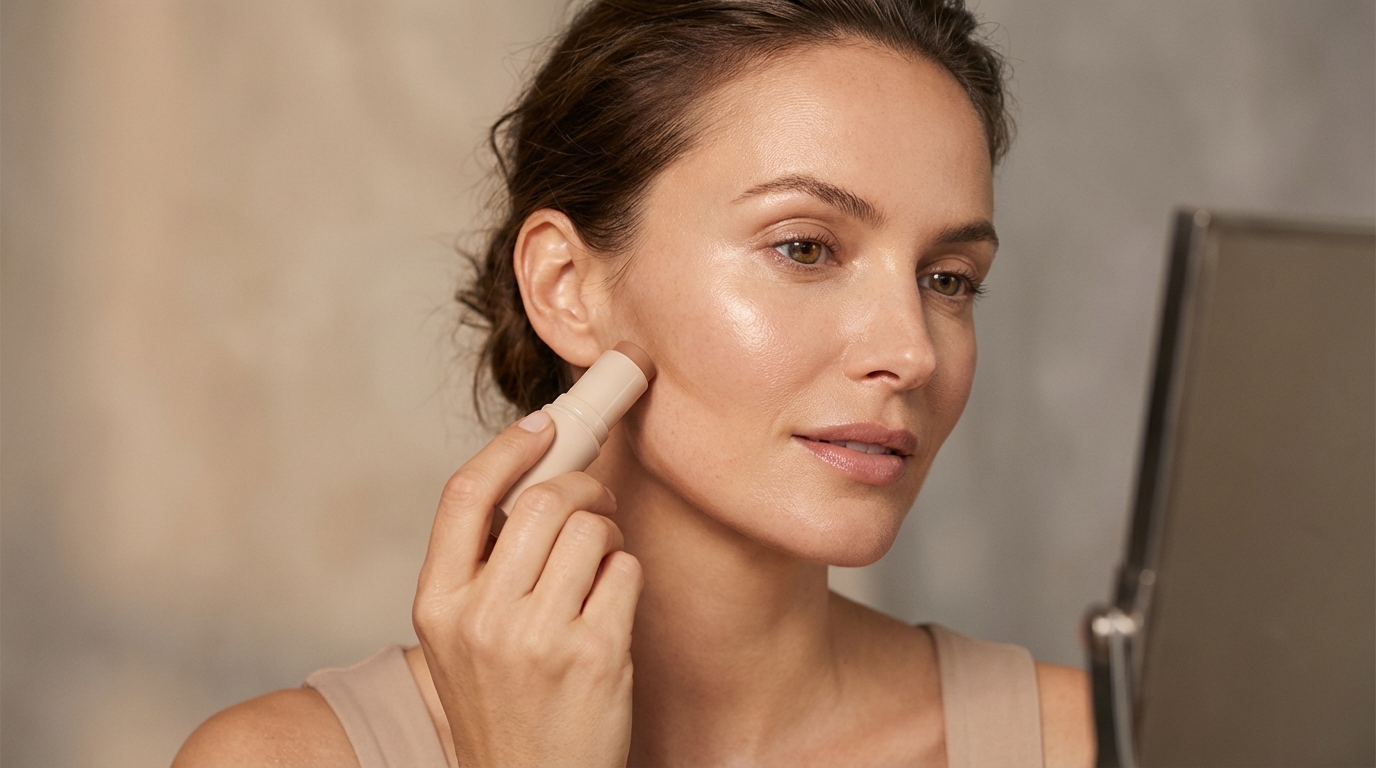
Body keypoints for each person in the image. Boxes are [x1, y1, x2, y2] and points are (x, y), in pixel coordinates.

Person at [174, 1, 1096, 765]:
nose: (913, 351)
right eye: (803, 247)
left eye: (948, 279)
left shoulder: (1093, 741)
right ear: (568, 289)